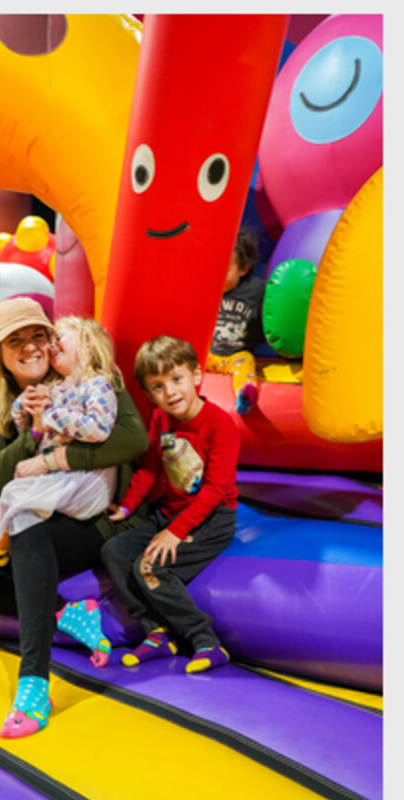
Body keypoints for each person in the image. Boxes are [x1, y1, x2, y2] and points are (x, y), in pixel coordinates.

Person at [0, 296, 149, 740]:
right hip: (25, 502)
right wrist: (29, 431)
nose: (30, 347)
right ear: (0, 352)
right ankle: (66, 613)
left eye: (38, 335)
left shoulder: (84, 374)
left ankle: (34, 683)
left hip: (88, 519)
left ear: (53, 339)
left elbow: (131, 440)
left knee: (26, 527)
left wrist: (53, 457)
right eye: (15, 341)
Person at [0, 317, 122, 610]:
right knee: (8, 494)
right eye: (53, 339)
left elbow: (99, 429)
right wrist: (25, 407)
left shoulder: (98, 385)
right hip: (59, 475)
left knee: (18, 501)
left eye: (60, 338)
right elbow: (25, 419)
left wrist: (51, 417)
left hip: (84, 480)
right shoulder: (56, 387)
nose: (53, 345)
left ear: (86, 346)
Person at [101, 335, 240, 674]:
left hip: (213, 517)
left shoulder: (220, 424)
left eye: (177, 379)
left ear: (196, 376)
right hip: (171, 512)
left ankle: (205, 640)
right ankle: (156, 632)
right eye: (158, 387)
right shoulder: (160, 420)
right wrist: (126, 507)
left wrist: (175, 533)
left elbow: (215, 489)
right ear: (150, 395)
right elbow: (150, 468)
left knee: (149, 567)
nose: (170, 392)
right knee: (114, 551)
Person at [205, 228, 266, 415]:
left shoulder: (254, 288)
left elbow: (277, 297)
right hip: (209, 355)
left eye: (225, 268)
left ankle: (245, 395)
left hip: (236, 356)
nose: (217, 274)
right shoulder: (207, 289)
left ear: (243, 269)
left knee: (246, 362)